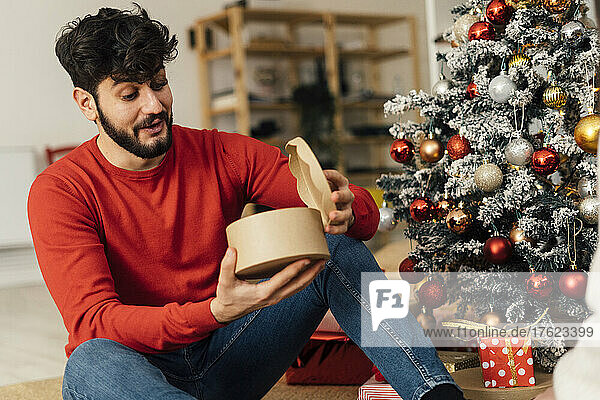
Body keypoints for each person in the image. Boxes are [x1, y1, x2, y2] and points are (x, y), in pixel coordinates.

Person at [28, 5, 463, 400]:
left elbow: (338, 211)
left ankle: (434, 391)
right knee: (89, 361)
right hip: (138, 369)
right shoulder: (61, 191)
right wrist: (213, 311)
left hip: (231, 354)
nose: (154, 105)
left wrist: (350, 208)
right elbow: (95, 321)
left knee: (336, 251)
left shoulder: (223, 152)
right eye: (129, 95)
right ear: (87, 104)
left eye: (159, 84)